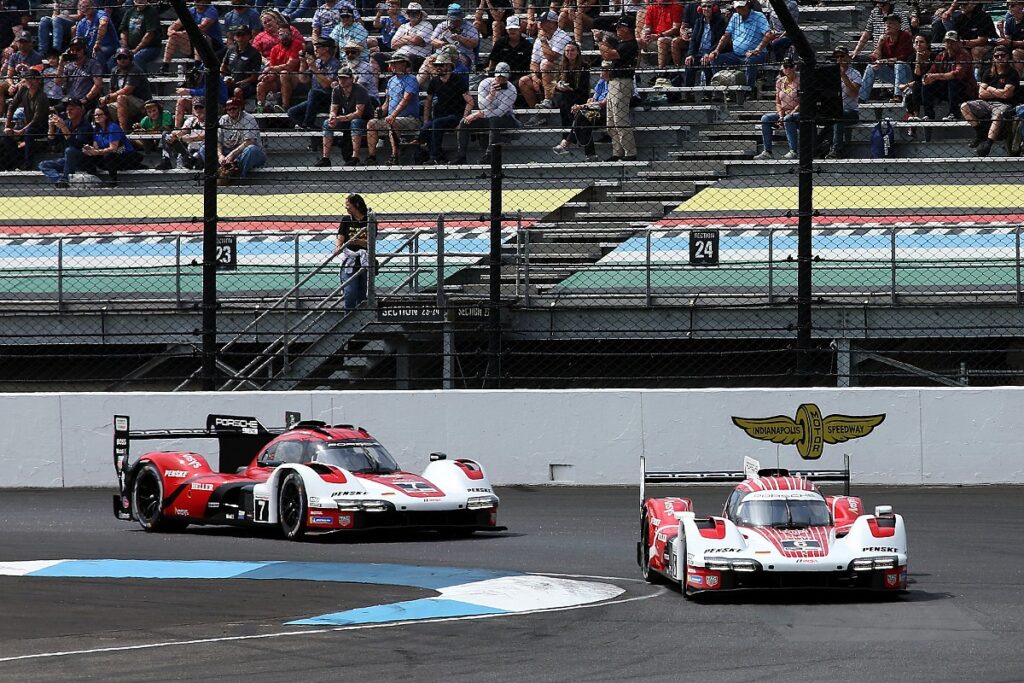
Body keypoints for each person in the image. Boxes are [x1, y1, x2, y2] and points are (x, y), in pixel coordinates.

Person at [454, 60, 518, 164]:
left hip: (505, 118)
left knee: (494, 120)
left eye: (504, 77)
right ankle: (461, 156)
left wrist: (480, 114)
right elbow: (481, 105)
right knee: (463, 123)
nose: (501, 79)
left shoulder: (512, 90)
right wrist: (491, 95)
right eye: (499, 76)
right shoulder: (485, 83)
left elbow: (500, 112)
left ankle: (490, 155)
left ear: (508, 77)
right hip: (486, 116)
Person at [961, 45, 1018, 155]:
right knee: (964, 106)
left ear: (1008, 57)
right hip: (986, 103)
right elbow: (981, 94)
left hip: (1004, 104)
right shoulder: (988, 72)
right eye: (997, 56)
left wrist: (990, 89)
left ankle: (988, 144)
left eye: (1003, 55)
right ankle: (980, 132)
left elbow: (1007, 95)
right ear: (993, 58)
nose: (1000, 58)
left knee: (998, 115)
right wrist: (999, 91)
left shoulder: (1012, 73)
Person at [366, 53, 421, 165]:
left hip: (410, 119)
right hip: (392, 118)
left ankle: (395, 156)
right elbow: (387, 102)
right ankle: (372, 156)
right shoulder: (391, 80)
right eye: (391, 64)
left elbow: (406, 99)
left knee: (393, 122)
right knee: (371, 123)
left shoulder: (411, 79)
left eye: (395, 63)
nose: (392, 66)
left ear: (404, 64)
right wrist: (381, 111)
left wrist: (393, 115)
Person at [597, 16, 638, 162]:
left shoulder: (631, 45)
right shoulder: (622, 44)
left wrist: (599, 41)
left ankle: (630, 153)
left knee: (620, 120)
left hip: (622, 83)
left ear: (627, 28)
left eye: (619, 27)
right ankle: (617, 152)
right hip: (614, 83)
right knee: (611, 122)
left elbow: (607, 54)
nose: (617, 29)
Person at [199, 96, 266, 184]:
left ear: (240, 108)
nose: (231, 111)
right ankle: (219, 172)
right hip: (228, 153)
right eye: (229, 109)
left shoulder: (249, 118)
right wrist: (220, 155)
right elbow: (218, 141)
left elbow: (250, 141)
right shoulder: (223, 119)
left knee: (251, 149)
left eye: (234, 108)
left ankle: (238, 177)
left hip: (245, 153)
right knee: (204, 149)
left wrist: (232, 154)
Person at [416, 51, 467, 163]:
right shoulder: (434, 81)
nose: (438, 68)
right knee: (426, 127)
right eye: (436, 65)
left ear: (449, 66)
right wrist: (425, 120)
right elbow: (428, 101)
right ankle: (434, 153)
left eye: (441, 65)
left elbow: (469, 101)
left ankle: (435, 156)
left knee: (436, 123)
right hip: (440, 116)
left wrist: (463, 119)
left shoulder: (457, 80)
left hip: (455, 115)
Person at [552, 59, 609, 161]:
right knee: (582, 118)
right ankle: (590, 154)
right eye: (602, 69)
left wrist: (582, 106)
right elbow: (594, 98)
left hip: (605, 112)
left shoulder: (613, 84)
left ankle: (567, 141)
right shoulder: (601, 82)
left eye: (604, 70)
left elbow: (603, 103)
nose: (601, 73)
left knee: (581, 115)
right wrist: (589, 102)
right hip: (593, 110)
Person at [708, 0, 769, 89]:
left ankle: (749, 89)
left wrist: (757, 49)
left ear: (748, 5)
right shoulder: (735, 17)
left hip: (757, 54)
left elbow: (768, 34)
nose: (739, 9)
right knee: (715, 58)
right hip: (736, 54)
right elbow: (726, 35)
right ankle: (721, 88)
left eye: (741, 7)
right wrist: (717, 50)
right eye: (737, 7)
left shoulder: (759, 16)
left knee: (751, 61)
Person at [318, 65, 372, 165]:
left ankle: (355, 157)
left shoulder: (360, 90)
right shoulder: (336, 90)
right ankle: (325, 158)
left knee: (355, 122)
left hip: (364, 119)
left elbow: (358, 113)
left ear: (351, 79)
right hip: (346, 118)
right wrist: (332, 117)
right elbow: (333, 108)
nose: (342, 80)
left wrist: (339, 118)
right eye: (340, 78)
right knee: (327, 123)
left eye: (345, 78)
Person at [81, 106, 144, 186]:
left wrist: (97, 152)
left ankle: (113, 181)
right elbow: (95, 146)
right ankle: (93, 178)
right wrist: (90, 150)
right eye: (95, 115)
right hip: (109, 157)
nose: (97, 117)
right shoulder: (96, 130)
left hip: (126, 155)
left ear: (106, 116)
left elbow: (113, 148)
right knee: (86, 154)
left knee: (109, 155)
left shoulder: (113, 127)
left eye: (99, 115)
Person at [521, 10, 572, 109]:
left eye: (543, 22)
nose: (540, 24)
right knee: (524, 81)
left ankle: (548, 101)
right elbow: (534, 62)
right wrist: (535, 78)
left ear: (553, 23)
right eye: (540, 21)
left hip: (562, 72)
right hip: (544, 73)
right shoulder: (540, 37)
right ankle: (537, 113)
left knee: (546, 64)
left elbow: (552, 57)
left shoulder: (562, 36)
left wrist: (543, 41)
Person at [922, 30, 976, 120]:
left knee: (953, 81)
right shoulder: (941, 55)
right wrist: (927, 78)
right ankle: (929, 115)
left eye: (952, 42)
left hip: (964, 90)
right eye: (947, 42)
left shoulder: (964, 54)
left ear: (959, 43)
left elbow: (957, 74)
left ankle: (953, 114)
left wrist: (935, 76)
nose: (949, 45)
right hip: (946, 89)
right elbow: (932, 70)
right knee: (926, 83)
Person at [1, 68, 47, 171]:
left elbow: (37, 119)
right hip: (26, 125)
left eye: (32, 78)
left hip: (40, 127)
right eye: (27, 78)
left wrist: (21, 131)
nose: (29, 81)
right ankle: (12, 164)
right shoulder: (23, 90)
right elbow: (12, 107)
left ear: (38, 80)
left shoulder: (42, 96)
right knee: (5, 137)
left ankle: (28, 164)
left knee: (29, 132)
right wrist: (7, 126)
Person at [39, 96, 92, 186]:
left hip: (82, 159)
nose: (68, 111)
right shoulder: (66, 122)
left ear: (80, 110)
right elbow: (53, 142)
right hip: (66, 160)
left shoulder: (86, 126)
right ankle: (59, 180)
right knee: (43, 164)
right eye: (67, 109)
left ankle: (65, 179)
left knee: (70, 150)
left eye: (72, 109)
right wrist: (51, 127)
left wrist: (63, 128)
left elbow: (77, 145)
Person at [289, 37, 340, 130]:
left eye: (318, 46)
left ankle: (308, 122)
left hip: (329, 98)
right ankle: (313, 128)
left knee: (314, 92)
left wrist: (314, 69)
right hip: (314, 100)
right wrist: (303, 63)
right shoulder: (317, 62)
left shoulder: (334, 63)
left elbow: (327, 85)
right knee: (292, 112)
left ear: (326, 49)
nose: (315, 49)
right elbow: (303, 79)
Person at [753, 56, 799, 159]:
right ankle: (767, 151)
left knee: (788, 118)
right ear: (783, 68)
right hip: (784, 112)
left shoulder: (800, 80)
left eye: (791, 66)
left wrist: (790, 113)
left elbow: (802, 102)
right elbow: (778, 102)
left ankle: (793, 151)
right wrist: (781, 116)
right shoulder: (780, 81)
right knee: (766, 118)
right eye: (786, 67)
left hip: (797, 111)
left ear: (794, 67)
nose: (788, 69)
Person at [860, 13, 912, 103]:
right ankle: (862, 97)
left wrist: (884, 61)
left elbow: (902, 58)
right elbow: (875, 57)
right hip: (893, 75)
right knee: (871, 67)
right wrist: (879, 43)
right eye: (886, 23)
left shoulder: (905, 36)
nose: (887, 25)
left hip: (907, 75)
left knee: (899, 64)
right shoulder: (885, 38)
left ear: (898, 25)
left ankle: (898, 95)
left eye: (891, 23)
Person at [823, 45, 862, 159]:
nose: (839, 59)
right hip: (832, 109)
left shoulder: (855, 74)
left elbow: (854, 93)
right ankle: (817, 147)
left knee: (838, 115)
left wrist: (843, 75)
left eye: (842, 56)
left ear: (848, 58)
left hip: (851, 111)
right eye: (837, 57)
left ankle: (837, 150)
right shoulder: (829, 74)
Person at [161, 0, 222, 71]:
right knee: (173, 37)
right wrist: (171, 32)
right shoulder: (191, 10)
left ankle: (197, 65)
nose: (200, 2)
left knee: (199, 35)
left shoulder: (211, 10)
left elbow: (202, 27)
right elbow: (174, 26)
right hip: (192, 43)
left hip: (212, 45)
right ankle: (165, 66)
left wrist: (182, 33)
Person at [101, 47, 152, 132]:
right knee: (102, 107)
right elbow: (112, 91)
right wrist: (106, 100)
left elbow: (127, 90)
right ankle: (108, 132)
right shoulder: (115, 71)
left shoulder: (134, 70)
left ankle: (122, 131)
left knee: (121, 97)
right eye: (119, 58)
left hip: (141, 101)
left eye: (125, 57)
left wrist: (108, 97)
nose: (122, 60)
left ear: (130, 58)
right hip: (123, 101)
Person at [335, 193, 370, 310]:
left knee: (362, 292)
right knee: (350, 292)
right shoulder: (345, 220)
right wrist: (338, 247)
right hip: (349, 259)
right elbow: (340, 237)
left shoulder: (369, 220)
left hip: (365, 260)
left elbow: (371, 243)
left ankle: (361, 319)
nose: (346, 208)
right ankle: (348, 316)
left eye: (348, 205)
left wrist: (358, 242)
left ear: (357, 205)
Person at [256, 26, 302, 112]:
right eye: (281, 34)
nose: (284, 37)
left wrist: (269, 68)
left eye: (287, 34)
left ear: (291, 35)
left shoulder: (297, 44)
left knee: (284, 74)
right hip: (279, 78)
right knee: (261, 85)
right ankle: (260, 109)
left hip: (296, 77)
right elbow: (273, 70)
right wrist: (268, 77)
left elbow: (290, 66)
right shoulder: (275, 49)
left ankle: (285, 106)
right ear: (278, 36)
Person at [640, 0, 684, 84]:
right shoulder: (652, 7)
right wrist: (645, 34)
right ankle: (636, 74)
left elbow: (676, 28)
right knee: (639, 41)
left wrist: (659, 35)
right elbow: (647, 26)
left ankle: (661, 72)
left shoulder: (676, 5)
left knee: (661, 41)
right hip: (654, 37)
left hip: (671, 36)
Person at [156, 95, 205, 169]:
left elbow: (203, 136)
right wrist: (174, 135)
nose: (198, 110)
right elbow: (182, 132)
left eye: (201, 107)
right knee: (166, 134)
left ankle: (192, 160)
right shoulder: (191, 120)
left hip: (202, 152)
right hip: (189, 151)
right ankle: (166, 159)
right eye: (196, 107)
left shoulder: (211, 121)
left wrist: (183, 138)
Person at [0, 31, 40, 118]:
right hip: (16, 82)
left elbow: (32, 76)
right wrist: (11, 85)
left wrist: (16, 85)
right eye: (20, 42)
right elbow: (9, 75)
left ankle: (18, 117)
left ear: (30, 43)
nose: (22, 45)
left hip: (30, 82)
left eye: (25, 42)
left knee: (23, 86)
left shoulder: (36, 57)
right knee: (1, 87)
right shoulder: (14, 56)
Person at [685, 0, 724, 89]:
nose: (706, 9)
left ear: (714, 8)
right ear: (700, 9)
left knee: (706, 63)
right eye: (704, 6)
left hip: (712, 52)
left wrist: (709, 53)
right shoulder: (699, 21)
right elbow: (694, 40)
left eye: (709, 6)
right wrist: (690, 54)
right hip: (700, 52)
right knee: (689, 63)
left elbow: (719, 41)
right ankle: (688, 93)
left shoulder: (719, 21)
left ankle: (708, 93)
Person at [55, 37, 103, 110]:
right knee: (51, 111)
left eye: (78, 49)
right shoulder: (68, 66)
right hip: (69, 101)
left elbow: (98, 84)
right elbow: (58, 82)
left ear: (84, 50)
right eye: (72, 50)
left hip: (85, 101)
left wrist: (86, 99)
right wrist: (61, 63)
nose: (75, 52)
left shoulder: (92, 64)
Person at [552, 41, 590, 134]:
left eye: (572, 50)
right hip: (565, 94)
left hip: (579, 94)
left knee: (566, 100)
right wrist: (558, 86)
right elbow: (555, 81)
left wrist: (571, 89)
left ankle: (569, 136)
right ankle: (568, 134)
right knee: (564, 100)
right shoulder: (561, 65)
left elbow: (584, 85)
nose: (570, 53)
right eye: (567, 51)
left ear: (578, 52)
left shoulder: (584, 66)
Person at [430, 3, 480, 70]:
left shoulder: (469, 26)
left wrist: (460, 38)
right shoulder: (442, 25)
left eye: (458, 20)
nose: (455, 22)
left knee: (456, 65)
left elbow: (474, 44)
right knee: (428, 62)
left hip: (462, 54)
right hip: (442, 52)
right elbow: (432, 40)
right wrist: (442, 43)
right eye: (453, 20)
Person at [222, 25, 262, 103]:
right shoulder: (231, 50)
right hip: (231, 81)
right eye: (238, 34)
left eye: (243, 35)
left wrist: (237, 83)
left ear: (249, 36)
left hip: (247, 84)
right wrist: (224, 78)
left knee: (237, 91)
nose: (240, 37)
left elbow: (254, 77)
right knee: (218, 87)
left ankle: (240, 109)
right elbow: (223, 66)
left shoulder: (254, 53)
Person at [488, 15, 532, 86]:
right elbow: (493, 60)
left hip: (520, 75)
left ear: (520, 29)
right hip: (501, 75)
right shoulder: (500, 43)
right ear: (506, 30)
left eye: (515, 28)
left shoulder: (527, 45)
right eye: (510, 29)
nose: (512, 31)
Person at [117, 0, 161, 72]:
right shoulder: (130, 12)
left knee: (137, 58)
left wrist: (136, 50)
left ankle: (142, 81)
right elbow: (123, 31)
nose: (140, 1)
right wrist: (125, 47)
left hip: (151, 48)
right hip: (130, 47)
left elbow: (150, 34)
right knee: (113, 60)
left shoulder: (151, 12)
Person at [74, 0, 118, 68]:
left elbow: (103, 23)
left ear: (93, 6)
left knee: (97, 52)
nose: (86, 8)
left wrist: (97, 43)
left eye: (88, 6)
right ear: (80, 9)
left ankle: (100, 75)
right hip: (90, 50)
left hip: (109, 47)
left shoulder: (100, 13)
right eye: (83, 7)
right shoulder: (81, 23)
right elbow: (77, 40)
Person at [390, 2, 434, 70]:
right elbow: (393, 44)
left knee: (409, 58)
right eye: (410, 12)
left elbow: (416, 40)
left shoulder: (427, 25)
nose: (412, 14)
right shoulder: (403, 26)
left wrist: (403, 38)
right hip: (399, 54)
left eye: (415, 12)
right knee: (377, 56)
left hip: (418, 56)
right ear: (407, 14)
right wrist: (412, 40)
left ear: (420, 14)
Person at [901, 33, 933, 122]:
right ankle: (913, 120)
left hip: (932, 86)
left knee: (918, 84)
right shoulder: (912, 58)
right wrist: (918, 60)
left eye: (921, 42)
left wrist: (907, 85)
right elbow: (916, 76)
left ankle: (917, 114)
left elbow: (925, 77)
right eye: (916, 42)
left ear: (927, 44)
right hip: (918, 87)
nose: (918, 44)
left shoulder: (933, 56)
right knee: (909, 98)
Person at [996, 0, 1024, 73]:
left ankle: (1018, 78)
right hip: (1014, 47)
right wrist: (1001, 31)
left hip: (1019, 49)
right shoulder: (1009, 21)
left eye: (1012, 6)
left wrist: (1011, 42)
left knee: (1016, 52)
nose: (1009, 8)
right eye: (1008, 5)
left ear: (1021, 6)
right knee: (998, 50)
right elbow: (1007, 40)